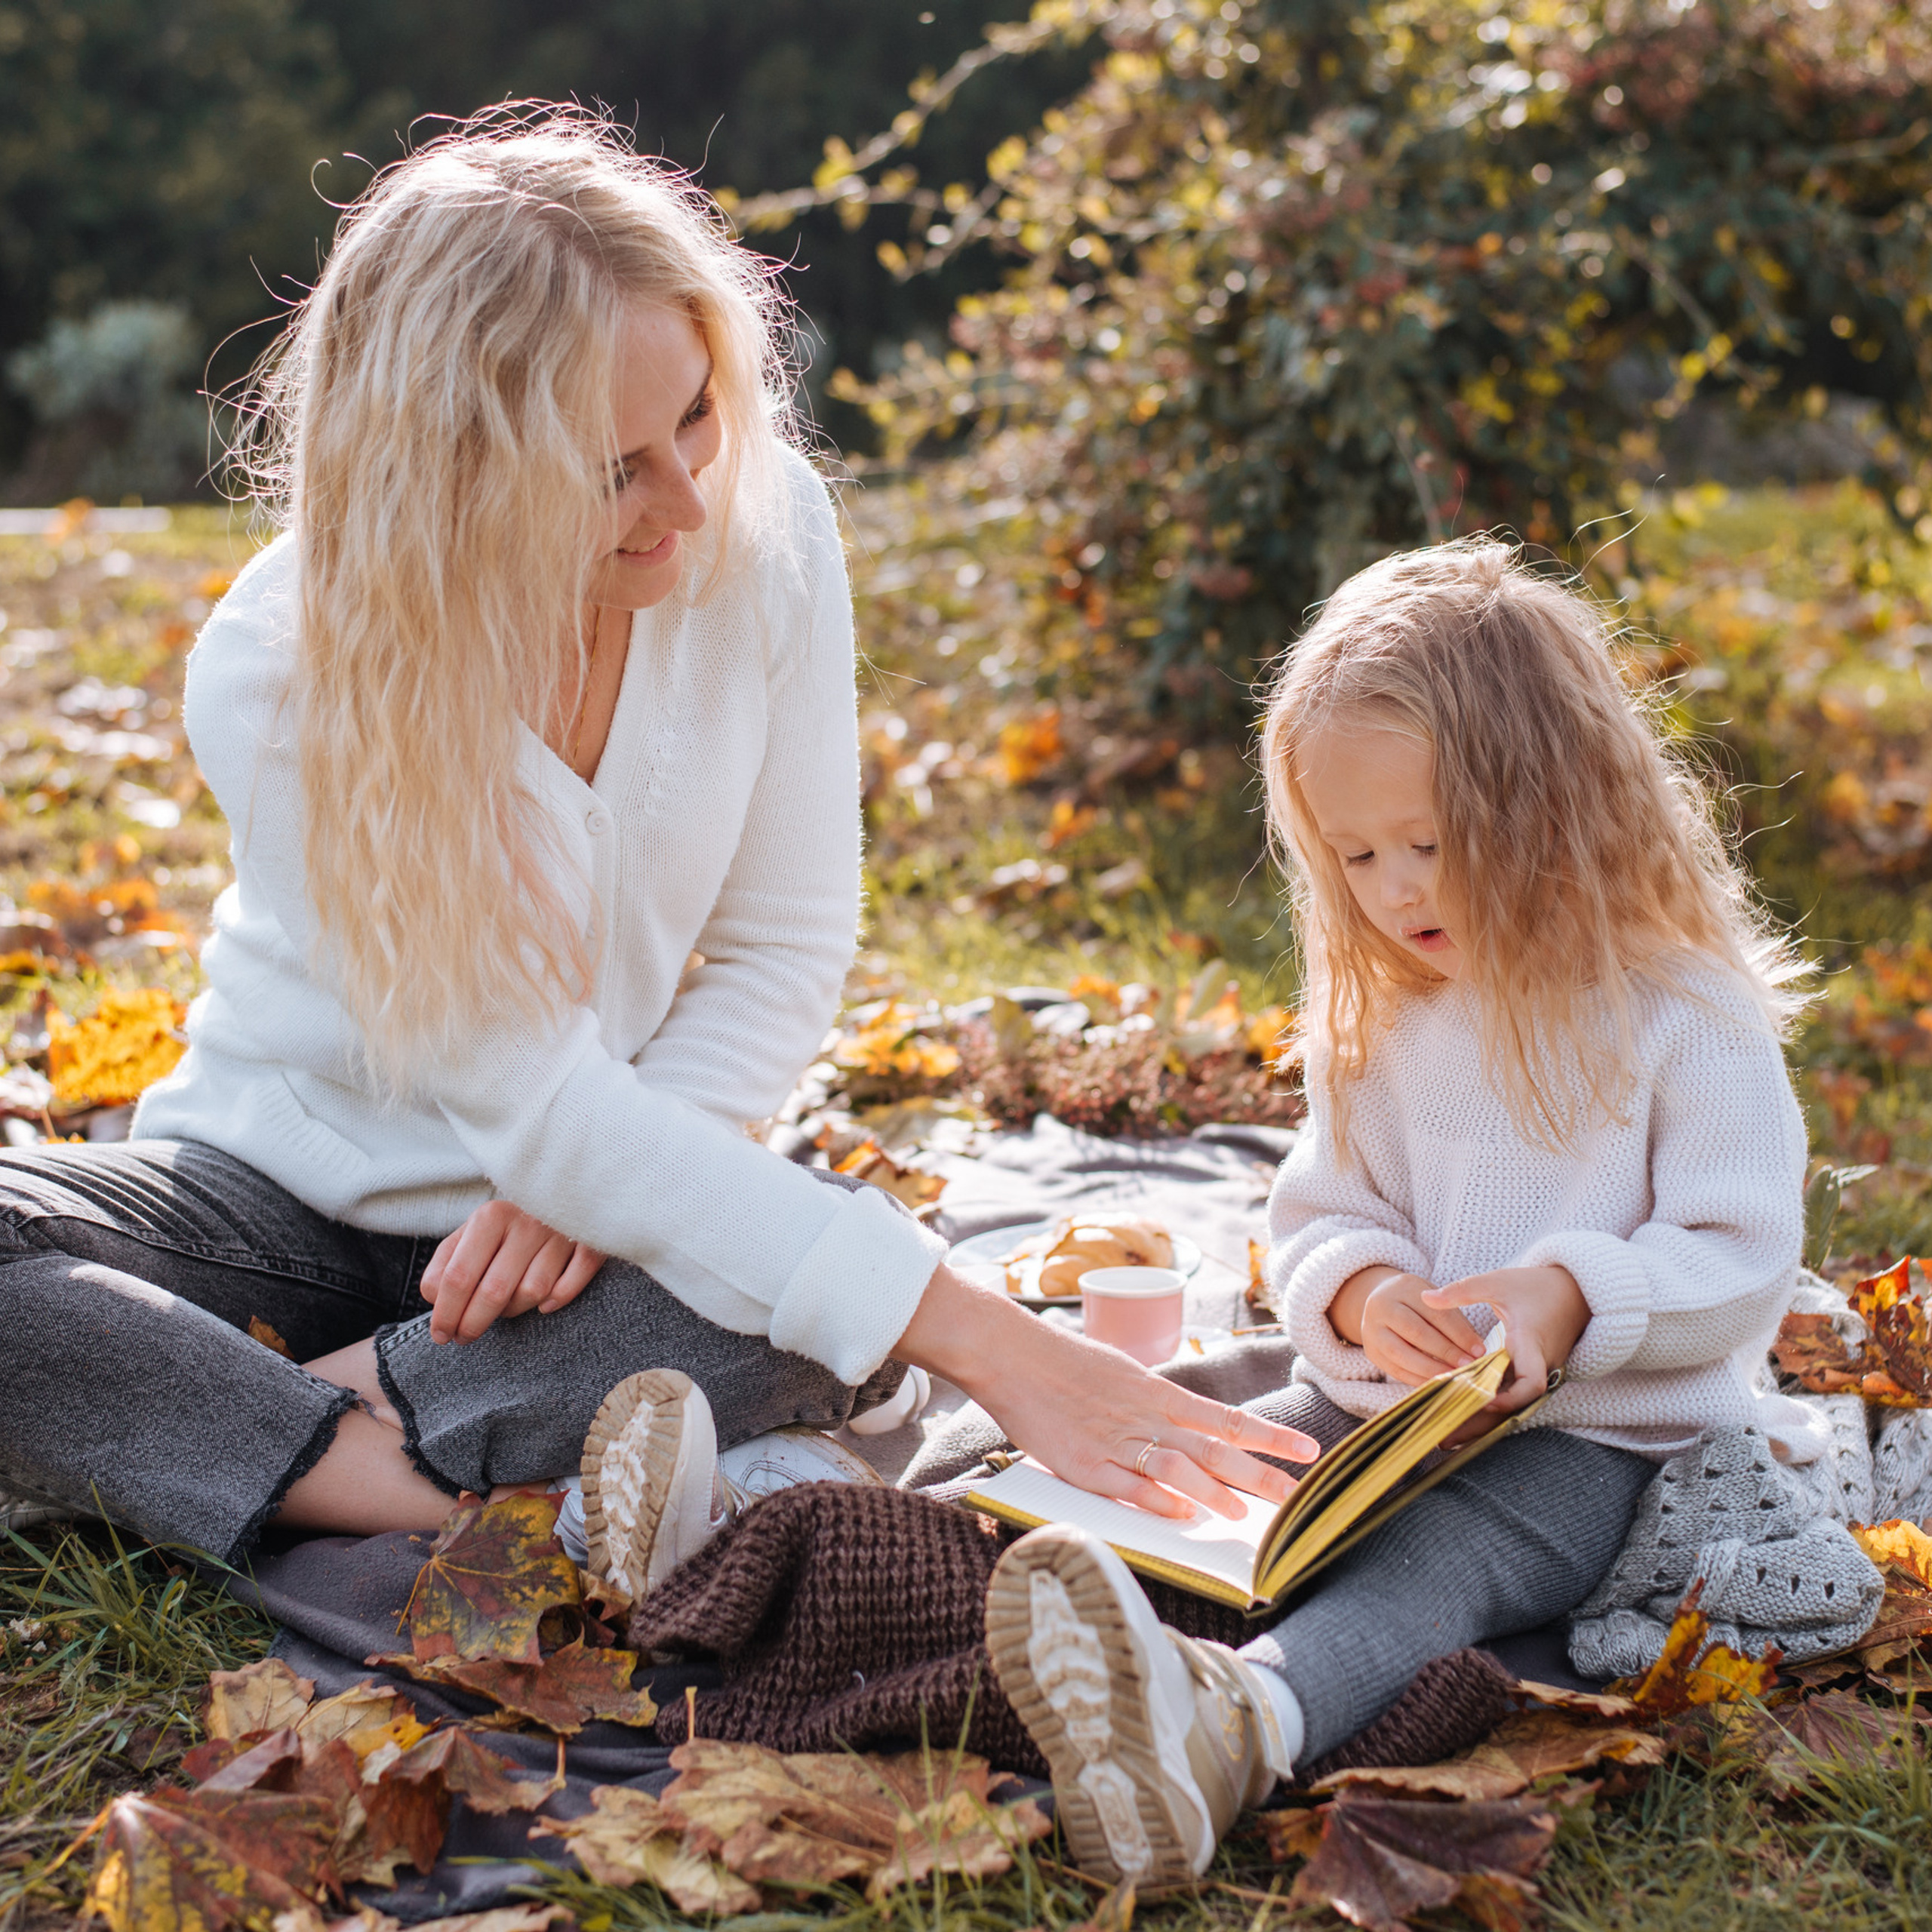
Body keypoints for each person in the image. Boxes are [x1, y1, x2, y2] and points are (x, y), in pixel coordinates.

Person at [0, 109, 1316, 1570]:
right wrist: (995, 1344)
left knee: (817, 1289)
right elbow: (536, 1106)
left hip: (596, 1242)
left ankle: (217, 1425)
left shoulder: (767, 529)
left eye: (694, 413)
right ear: (445, 474)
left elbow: (780, 945)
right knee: (853, 1300)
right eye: (607, 468)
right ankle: (416, 1487)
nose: (688, 500)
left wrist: (612, 1189)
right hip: (274, 1212)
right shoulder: (280, 670)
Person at [588, 537, 1817, 1882]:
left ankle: (1234, 1728)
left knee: (1438, 1568)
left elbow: (1743, 1255)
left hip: (1599, 1447)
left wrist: (1568, 1297)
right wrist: (1367, 1295)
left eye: (1427, 842)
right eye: (1357, 855)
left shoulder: (1682, 1013)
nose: (1395, 888)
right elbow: (1326, 1215)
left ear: (1552, 802)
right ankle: (769, 1546)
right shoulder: (1394, 1014)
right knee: (1170, 1466)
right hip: (1385, 1410)